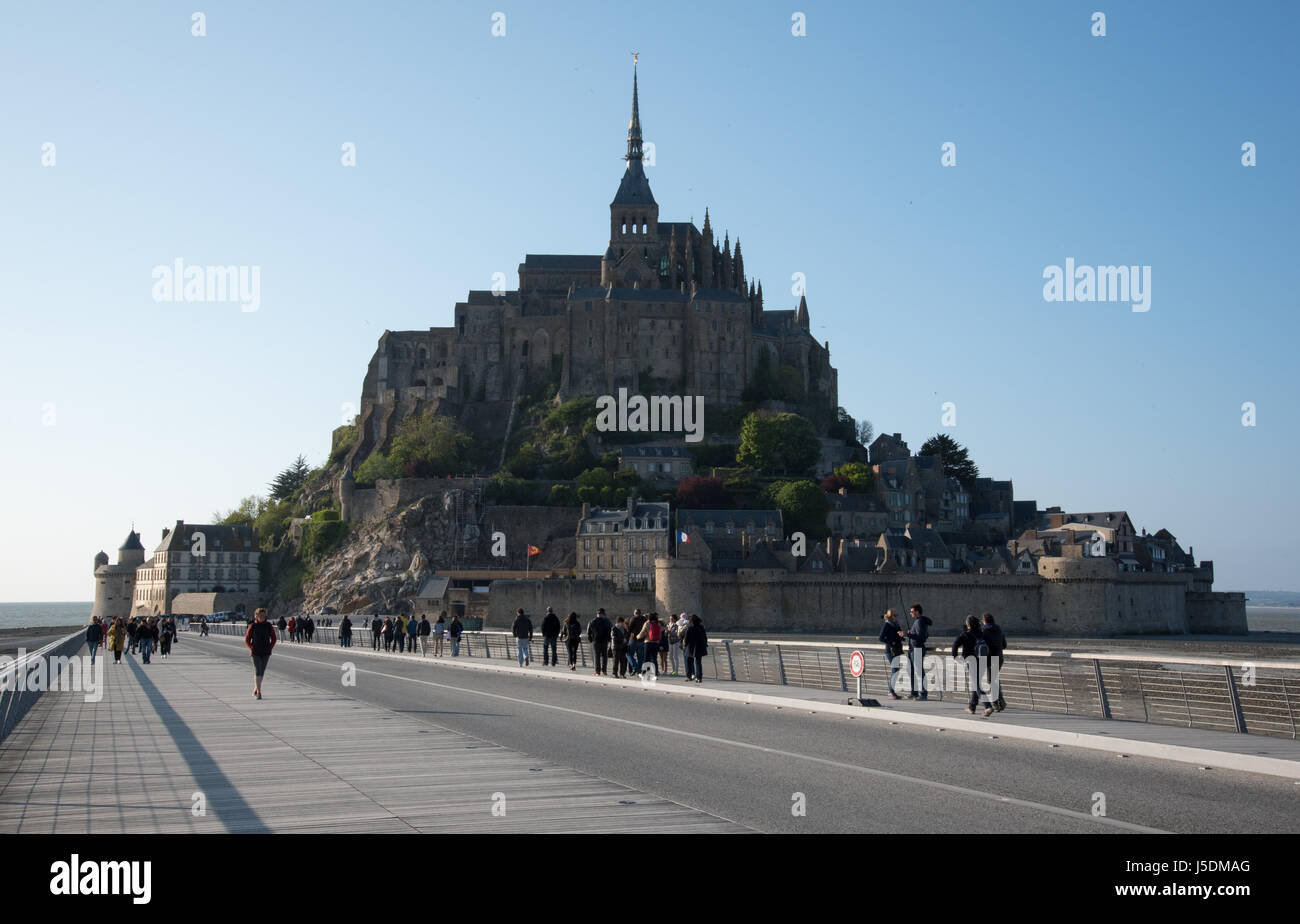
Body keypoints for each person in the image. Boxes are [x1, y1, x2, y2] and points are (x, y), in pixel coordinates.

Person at [951, 615, 988, 715]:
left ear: (968, 625)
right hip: (983, 660)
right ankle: (972, 707)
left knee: (976, 685)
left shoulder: (965, 635)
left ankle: (987, 705)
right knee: (976, 683)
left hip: (971, 661)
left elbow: (955, 645)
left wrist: (955, 657)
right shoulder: (982, 634)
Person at [244, 607, 277, 700]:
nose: (262, 617)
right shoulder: (252, 626)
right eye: (260, 615)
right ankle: (259, 692)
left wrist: (270, 647)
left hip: (266, 652)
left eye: (263, 615)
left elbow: (274, 639)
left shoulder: (268, 625)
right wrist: (252, 648)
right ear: (256, 616)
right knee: (258, 671)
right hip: (255, 653)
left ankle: (255, 688)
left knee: (262, 672)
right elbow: (247, 640)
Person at [981, 612, 1008, 714]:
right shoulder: (999, 630)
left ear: (984, 621)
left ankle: (998, 703)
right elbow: (1004, 645)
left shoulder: (984, 632)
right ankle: (999, 702)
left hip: (989, 659)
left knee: (991, 681)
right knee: (994, 680)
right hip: (999, 658)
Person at [905, 602, 932, 700]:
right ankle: (914, 692)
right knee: (911, 671)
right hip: (913, 649)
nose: (910, 613)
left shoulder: (919, 621)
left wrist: (908, 634)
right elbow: (925, 635)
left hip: (917, 649)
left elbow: (921, 637)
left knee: (919, 672)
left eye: (912, 611)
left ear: (917, 612)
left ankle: (923, 693)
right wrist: (910, 633)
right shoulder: (918, 621)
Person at [878, 610, 906, 699]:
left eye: (897, 615)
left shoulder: (896, 624)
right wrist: (892, 642)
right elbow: (880, 638)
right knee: (895, 670)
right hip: (890, 650)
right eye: (895, 615)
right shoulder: (887, 624)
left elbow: (897, 635)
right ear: (891, 616)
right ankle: (891, 692)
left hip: (897, 650)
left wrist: (902, 638)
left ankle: (892, 691)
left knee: (896, 670)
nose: (897, 616)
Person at [682, 614, 708, 683]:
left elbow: (686, 639)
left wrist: (684, 646)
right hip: (700, 647)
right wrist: (705, 645)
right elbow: (705, 637)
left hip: (690, 647)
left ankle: (689, 676)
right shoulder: (701, 627)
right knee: (698, 662)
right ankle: (699, 678)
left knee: (688, 662)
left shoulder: (690, 628)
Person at [587, 608, 612, 676]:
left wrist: (591, 640)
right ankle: (604, 670)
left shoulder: (592, 621)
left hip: (596, 641)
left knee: (597, 656)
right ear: (603, 614)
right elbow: (611, 631)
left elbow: (588, 632)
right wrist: (609, 639)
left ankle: (597, 671)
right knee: (604, 656)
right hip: (604, 641)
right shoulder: (607, 621)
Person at [639, 613, 663, 678]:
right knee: (654, 659)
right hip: (656, 643)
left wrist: (638, 636)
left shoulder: (647, 623)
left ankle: (644, 673)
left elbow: (643, 632)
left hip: (648, 643)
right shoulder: (658, 624)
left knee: (646, 659)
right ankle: (655, 674)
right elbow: (660, 634)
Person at [627, 610, 647, 674]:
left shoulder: (633, 618)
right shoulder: (644, 619)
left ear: (635, 613)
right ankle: (639, 669)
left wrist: (627, 638)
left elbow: (629, 629)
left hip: (633, 639)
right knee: (640, 657)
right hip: (642, 640)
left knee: (628, 654)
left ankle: (635, 666)